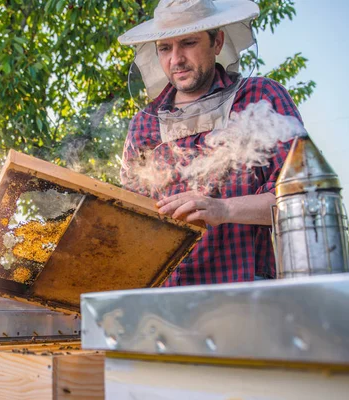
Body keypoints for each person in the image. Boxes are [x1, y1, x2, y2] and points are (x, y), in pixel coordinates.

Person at [119, 0, 303, 286]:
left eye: (188, 43)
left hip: (248, 293)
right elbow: (129, 218)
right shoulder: (144, 124)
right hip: (163, 301)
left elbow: (302, 200)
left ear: (217, 42)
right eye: (165, 48)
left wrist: (224, 209)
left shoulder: (261, 98)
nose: (176, 59)